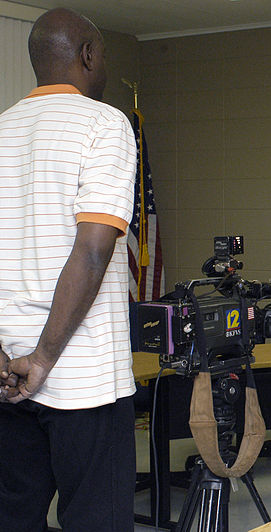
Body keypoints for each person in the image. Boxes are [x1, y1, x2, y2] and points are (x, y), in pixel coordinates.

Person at [0, 8, 137, 532]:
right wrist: (45, 357)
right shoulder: (105, 124)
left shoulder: (4, 128)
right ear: (88, 56)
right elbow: (93, 251)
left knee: (15, 516)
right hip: (82, 381)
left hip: (9, 376)